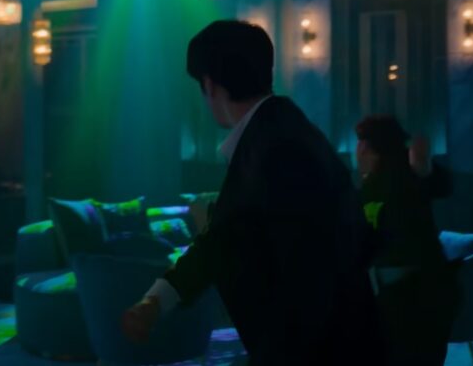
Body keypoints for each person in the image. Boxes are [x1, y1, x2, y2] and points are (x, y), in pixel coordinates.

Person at [120, 20, 385, 365]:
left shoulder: (274, 148)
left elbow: (302, 271)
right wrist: (157, 301)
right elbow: (228, 235)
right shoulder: (281, 131)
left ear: (210, 85)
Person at [355, 115, 458, 366]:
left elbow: (436, 183)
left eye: (360, 144)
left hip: (413, 300)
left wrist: (425, 169)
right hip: (410, 297)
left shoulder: (402, 174)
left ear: (367, 147)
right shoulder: (373, 184)